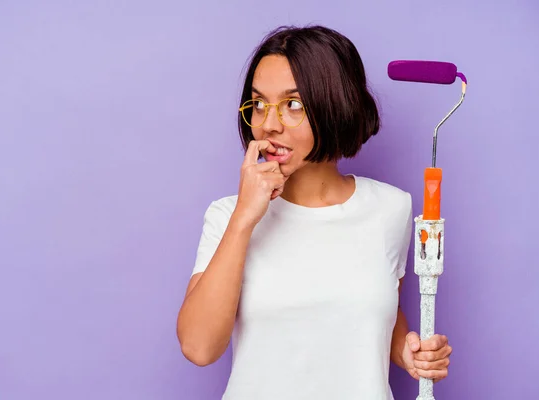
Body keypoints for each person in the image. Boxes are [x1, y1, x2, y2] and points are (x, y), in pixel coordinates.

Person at [176, 25, 452, 400]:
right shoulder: (228, 216)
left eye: (292, 104)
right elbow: (199, 347)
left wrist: (406, 349)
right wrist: (244, 218)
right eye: (258, 104)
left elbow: (373, 308)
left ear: (334, 105)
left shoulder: (391, 209)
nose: (269, 124)